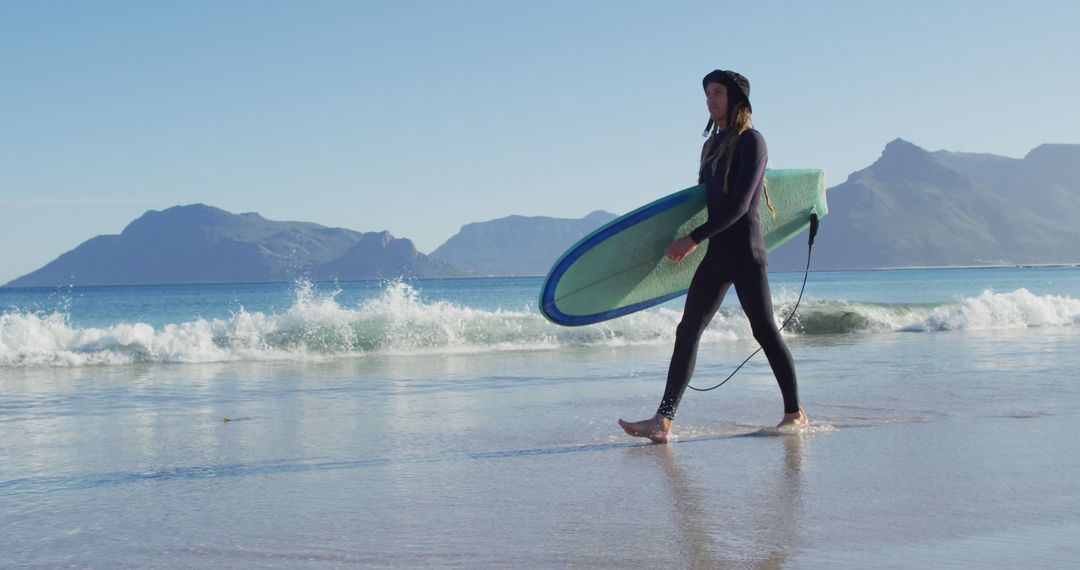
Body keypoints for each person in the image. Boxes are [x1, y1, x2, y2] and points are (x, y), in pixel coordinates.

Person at [618, 70, 808, 443]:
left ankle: (795, 412)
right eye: (707, 93)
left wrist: (693, 239)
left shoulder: (753, 142)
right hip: (716, 254)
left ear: (737, 99)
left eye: (718, 92)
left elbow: (738, 206)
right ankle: (663, 420)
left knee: (764, 331)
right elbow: (701, 202)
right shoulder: (711, 147)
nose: (710, 99)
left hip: (745, 253)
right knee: (687, 329)